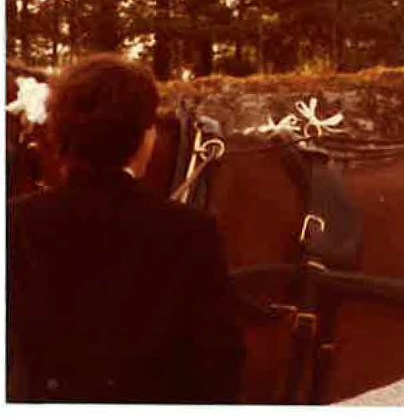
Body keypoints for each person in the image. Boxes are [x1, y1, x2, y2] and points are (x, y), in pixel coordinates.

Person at [7, 53, 244, 403]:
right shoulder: (192, 232)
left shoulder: (16, 223)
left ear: (60, 134)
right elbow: (221, 369)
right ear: (144, 138)